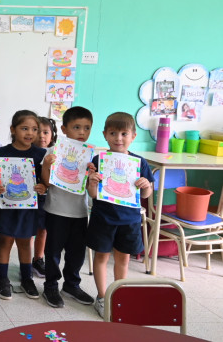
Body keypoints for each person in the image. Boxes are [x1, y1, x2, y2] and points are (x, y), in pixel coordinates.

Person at [87, 112, 153, 318]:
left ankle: (118, 295)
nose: (118, 138)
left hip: (129, 220)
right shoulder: (99, 160)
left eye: (124, 133)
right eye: (113, 133)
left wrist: (145, 186)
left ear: (133, 136)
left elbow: (147, 193)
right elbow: (93, 194)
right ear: (105, 135)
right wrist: (92, 182)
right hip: (103, 217)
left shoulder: (139, 162)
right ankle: (101, 296)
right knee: (101, 257)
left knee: (123, 259)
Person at [40, 107, 96, 308]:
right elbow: (46, 183)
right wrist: (47, 165)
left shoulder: (90, 155)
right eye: (77, 127)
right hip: (56, 211)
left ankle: (71, 284)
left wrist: (92, 175)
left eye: (87, 128)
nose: (82, 132)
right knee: (53, 251)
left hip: (80, 212)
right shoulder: (53, 151)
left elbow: (92, 189)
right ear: (64, 129)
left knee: (77, 253)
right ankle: (51, 285)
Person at [0, 110, 47, 301]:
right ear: (13, 130)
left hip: (29, 208)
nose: (30, 133)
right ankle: (2, 279)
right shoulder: (2, 153)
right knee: (5, 241)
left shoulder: (41, 154)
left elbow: (45, 180)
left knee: (25, 242)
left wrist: (43, 186)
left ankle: (26, 278)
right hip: (7, 206)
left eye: (34, 129)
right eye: (25, 128)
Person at [32, 116, 58, 278]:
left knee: (43, 230)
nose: (42, 136)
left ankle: (38, 259)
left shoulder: (57, 154)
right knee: (28, 232)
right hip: (29, 198)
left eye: (46, 132)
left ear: (52, 135)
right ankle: (26, 262)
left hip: (49, 198)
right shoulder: (30, 153)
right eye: (37, 131)